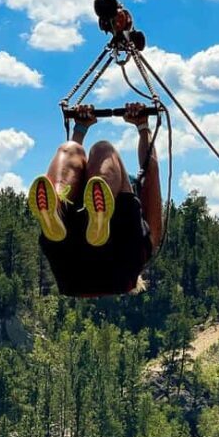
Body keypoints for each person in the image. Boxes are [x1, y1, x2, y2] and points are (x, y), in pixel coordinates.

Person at [27, 103, 163, 297]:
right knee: (99, 150)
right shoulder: (140, 253)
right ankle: (98, 217)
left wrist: (80, 129)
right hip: (112, 265)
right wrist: (142, 127)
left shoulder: (144, 251)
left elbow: (72, 167)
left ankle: (57, 205)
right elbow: (151, 172)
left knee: (75, 149)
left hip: (70, 267)